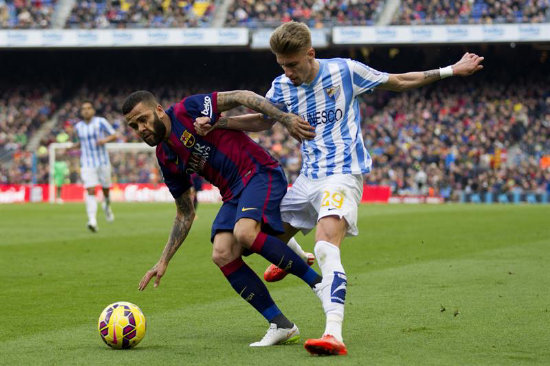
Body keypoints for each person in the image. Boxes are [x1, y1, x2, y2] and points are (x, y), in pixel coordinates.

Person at [194, 21, 484, 356]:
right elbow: (263, 119)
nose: (288, 72)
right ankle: (293, 256)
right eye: (282, 65)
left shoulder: (345, 71)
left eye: (293, 64)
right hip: (307, 180)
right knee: (252, 241)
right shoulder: (281, 87)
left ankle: (333, 333)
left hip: (343, 174)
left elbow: (400, 81)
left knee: (327, 248)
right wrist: (221, 123)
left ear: (311, 54)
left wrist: (452, 69)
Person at [123, 89, 322, 347]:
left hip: (258, 171)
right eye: (134, 125)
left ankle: (319, 284)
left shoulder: (188, 110)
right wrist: (163, 261)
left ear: (159, 110)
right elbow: (185, 213)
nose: (141, 128)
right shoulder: (166, 157)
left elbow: (239, 96)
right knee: (222, 252)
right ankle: (281, 324)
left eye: (143, 119)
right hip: (233, 195)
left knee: (245, 232)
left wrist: (284, 118)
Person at [72, 101, 117, 232]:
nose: (86, 111)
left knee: (106, 190)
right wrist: (71, 147)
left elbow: (114, 135)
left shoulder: (100, 122)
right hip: (87, 163)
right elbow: (80, 142)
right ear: (81, 112)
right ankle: (92, 220)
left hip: (102, 161)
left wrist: (104, 140)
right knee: (90, 190)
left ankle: (107, 207)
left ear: (93, 110)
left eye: (89, 108)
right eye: (83, 109)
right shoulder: (78, 127)